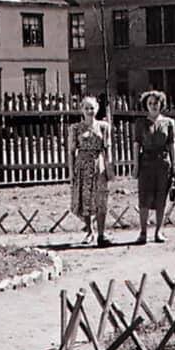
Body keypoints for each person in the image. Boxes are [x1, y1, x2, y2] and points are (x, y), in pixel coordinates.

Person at [133, 90, 175, 243]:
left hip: (163, 163)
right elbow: (136, 145)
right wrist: (135, 165)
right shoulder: (140, 123)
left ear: (161, 104)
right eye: (150, 103)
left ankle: (159, 231)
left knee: (161, 198)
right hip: (146, 163)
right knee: (144, 198)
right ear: (146, 105)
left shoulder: (169, 123)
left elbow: (172, 144)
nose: (153, 106)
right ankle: (143, 232)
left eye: (156, 103)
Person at [67, 96, 113, 246]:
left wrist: (109, 167)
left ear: (97, 109)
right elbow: (71, 151)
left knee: (101, 198)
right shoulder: (75, 128)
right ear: (81, 110)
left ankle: (101, 234)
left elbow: (108, 148)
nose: (89, 111)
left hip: (98, 165)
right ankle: (89, 231)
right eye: (86, 108)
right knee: (85, 198)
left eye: (92, 108)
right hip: (82, 166)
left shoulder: (104, 126)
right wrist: (71, 172)